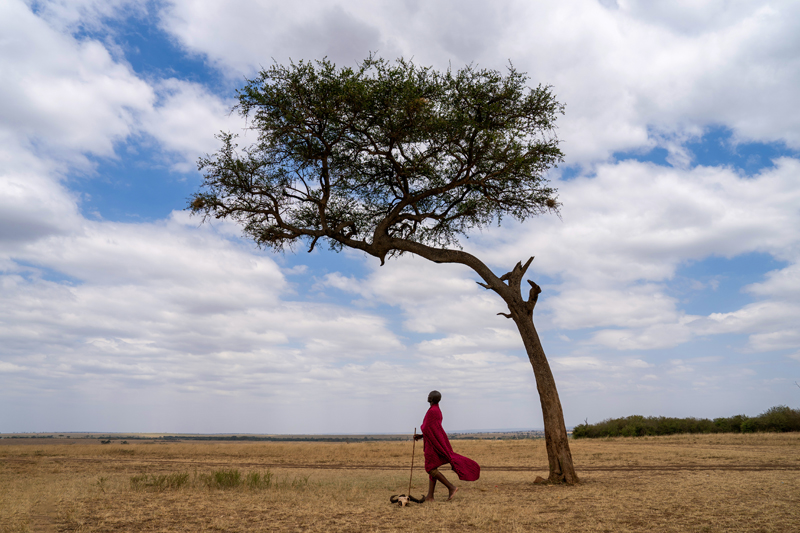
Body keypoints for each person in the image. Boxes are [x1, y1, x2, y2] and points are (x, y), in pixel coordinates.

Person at [414, 390, 480, 502]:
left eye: (429, 395)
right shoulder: (436, 410)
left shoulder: (433, 411)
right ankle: (430, 496)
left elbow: (427, 427)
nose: (428, 396)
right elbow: (432, 429)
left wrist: (423, 432)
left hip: (433, 444)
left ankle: (451, 487)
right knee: (432, 467)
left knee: (430, 468)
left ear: (431, 399)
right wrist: (421, 436)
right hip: (432, 441)